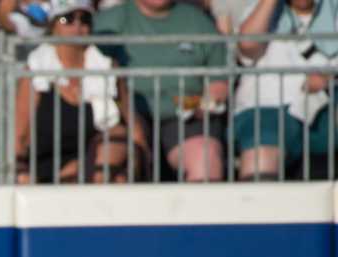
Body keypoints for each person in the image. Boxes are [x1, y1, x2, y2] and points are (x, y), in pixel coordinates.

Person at [94, 0, 230, 181]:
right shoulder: (108, 21)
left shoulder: (198, 22)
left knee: (206, 157)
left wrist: (204, 104)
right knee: (110, 159)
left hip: (186, 120)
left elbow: (219, 82)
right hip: (124, 118)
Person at [14, 0, 149, 182]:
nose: (77, 25)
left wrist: (142, 169)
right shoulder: (37, 70)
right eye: (67, 19)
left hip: (98, 161)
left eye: (85, 19)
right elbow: (20, 134)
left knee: (117, 140)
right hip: (49, 164)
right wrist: (19, 171)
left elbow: (133, 125)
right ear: (53, 25)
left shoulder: (107, 68)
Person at [233, 0, 338, 180]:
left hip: (325, 112)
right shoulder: (261, 9)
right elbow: (248, 46)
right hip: (270, 110)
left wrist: (328, 78)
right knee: (263, 145)